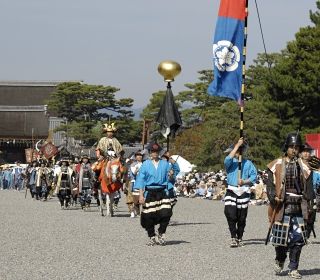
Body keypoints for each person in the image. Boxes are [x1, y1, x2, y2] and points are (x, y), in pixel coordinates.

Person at [265, 133, 315, 279]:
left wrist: (311, 204)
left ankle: (294, 267)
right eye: (292, 147)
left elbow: (309, 188)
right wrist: (273, 195)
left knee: (298, 239)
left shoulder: (305, 166)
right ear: (286, 147)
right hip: (282, 206)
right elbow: (269, 184)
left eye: (297, 147)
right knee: (280, 241)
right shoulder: (277, 164)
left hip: (299, 206)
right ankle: (280, 259)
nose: (294, 149)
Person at [135, 143, 173, 246]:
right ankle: (151, 236)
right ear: (150, 153)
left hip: (162, 192)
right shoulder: (145, 164)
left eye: (156, 152)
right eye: (152, 152)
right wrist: (141, 195)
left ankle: (161, 233)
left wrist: (170, 175)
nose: (154, 153)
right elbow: (141, 180)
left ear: (159, 153)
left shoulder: (165, 164)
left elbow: (170, 178)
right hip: (150, 192)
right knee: (148, 217)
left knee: (166, 214)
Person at [224, 137, 257, 248]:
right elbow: (228, 158)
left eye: (239, 150)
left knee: (241, 217)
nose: (238, 152)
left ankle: (240, 237)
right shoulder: (230, 162)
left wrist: (244, 181)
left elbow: (254, 176)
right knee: (230, 214)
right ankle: (233, 237)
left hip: (243, 191)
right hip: (231, 189)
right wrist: (237, 145)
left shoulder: (248, 163)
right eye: (237, 150)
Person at [299, 143, 320, 240]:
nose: (306, 154)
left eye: (308, 152)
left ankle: (307, 235)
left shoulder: (314, 163)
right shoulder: (297, 164)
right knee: (301, 214)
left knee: (312, 214)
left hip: (311, 191)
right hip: (300, 191)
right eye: (304, 152)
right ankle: (300, 235)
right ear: (300, 153)